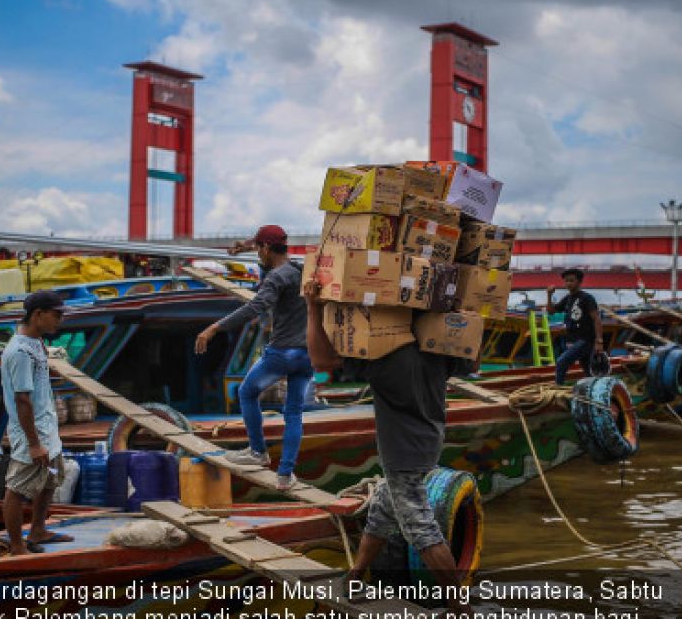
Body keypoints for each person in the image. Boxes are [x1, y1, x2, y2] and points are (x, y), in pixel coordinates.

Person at [303, 280, 475, 616]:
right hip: (426, 441)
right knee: (382, 510)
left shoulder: (385, 355)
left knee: (421, 528)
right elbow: (473, 361)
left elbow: (321, 360)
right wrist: (464, 319)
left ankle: (459, 608)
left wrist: (313, 307)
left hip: (404, 452)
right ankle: (355, 577)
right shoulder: (435, 347)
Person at [194, 225, 312, 491]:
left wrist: (215, 327)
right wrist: (246, 245)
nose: (257, 253)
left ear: (267, 249)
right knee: (294, 413)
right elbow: (268, 252)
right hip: (307, 354)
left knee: (247, 392)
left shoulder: (275, 279)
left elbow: (255, 307)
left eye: (259, 248)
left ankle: (258, 452)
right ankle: (284, 476)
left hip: (283, 352)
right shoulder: (299, 270)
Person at [0, 290, 73, 554]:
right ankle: (17, 546)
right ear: (38, 314)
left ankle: (39, 529)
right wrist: (33, 444)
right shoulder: (20, 351)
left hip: (47, 428)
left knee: (51, 479)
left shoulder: (38, 344)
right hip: (31, 434)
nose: (59, 321)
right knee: (17, 489)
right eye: (56, 315)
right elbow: (22, 400)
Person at [546, 268, 604, 385]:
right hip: (574, 340)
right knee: (588, 371)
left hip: (586, 340)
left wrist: (599, 341)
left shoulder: (587, 298)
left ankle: (558, 389)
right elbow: (551, 311)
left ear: (579, 282)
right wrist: (549, 295)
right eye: (566, 281)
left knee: (561, 361)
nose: (568, 283)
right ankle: (594, 392)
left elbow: (596, 319)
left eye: (571, 280)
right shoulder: (567, 299)